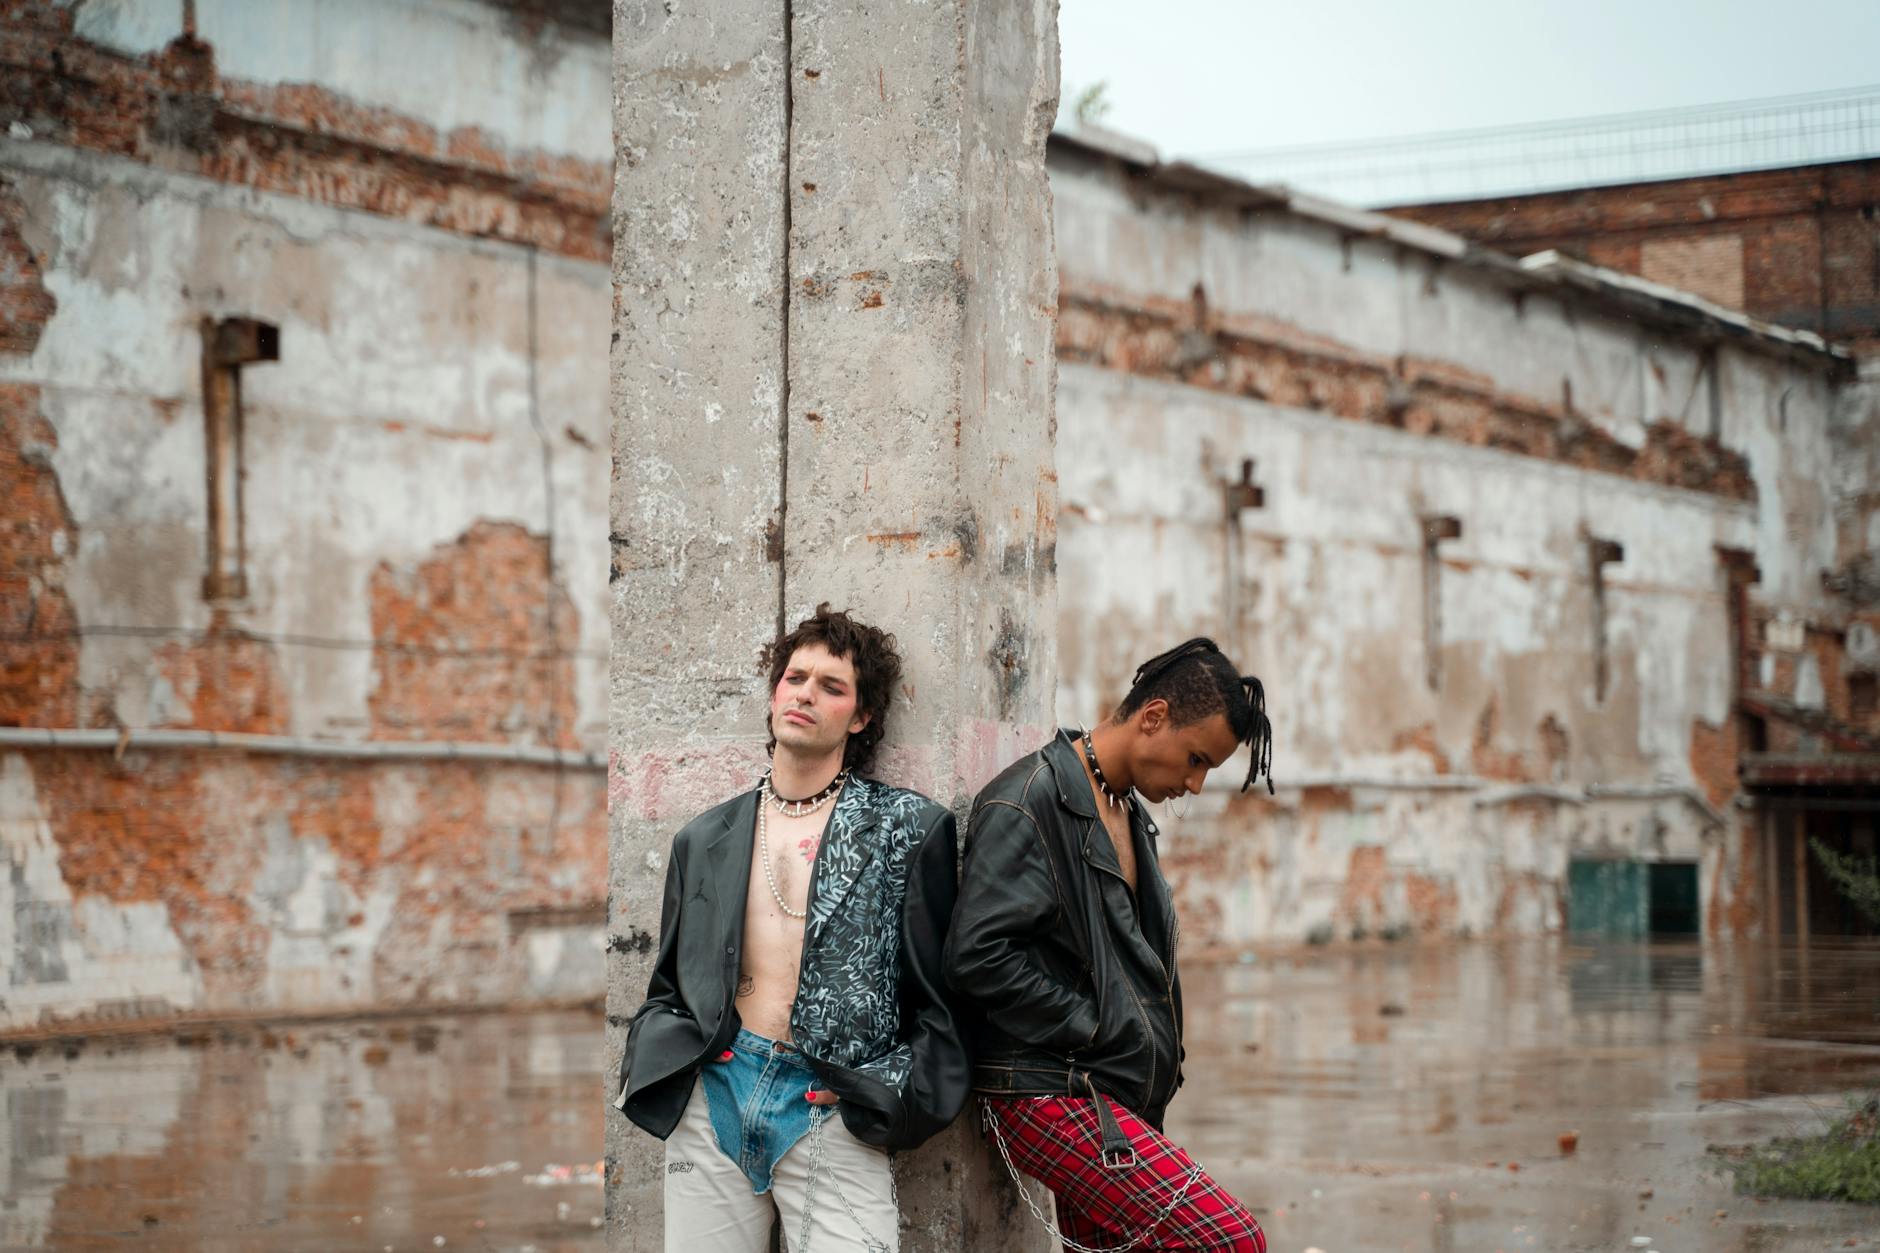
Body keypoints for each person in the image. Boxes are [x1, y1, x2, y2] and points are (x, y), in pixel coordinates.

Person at [612, 605, 967, 1252]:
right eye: (795, 677)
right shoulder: (705, 837)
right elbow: (671, 979)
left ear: (860, 717)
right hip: (715, 1088)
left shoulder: (907, 830)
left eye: (831, 686)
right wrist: (665, 1051)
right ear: (775, 691)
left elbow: (941, 1003)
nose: (805, 693)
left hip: (830, 1100)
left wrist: (887, 1089)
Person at [945, 638, 1275, 1253]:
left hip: (1103, 1086)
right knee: (1232, 1241)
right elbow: (978, 956)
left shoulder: (1126, 810)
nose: (1198, 784)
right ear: (1153, 717)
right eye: (1196, 759)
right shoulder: (1029, 802)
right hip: (1047, 1089)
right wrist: (1096, 1026)